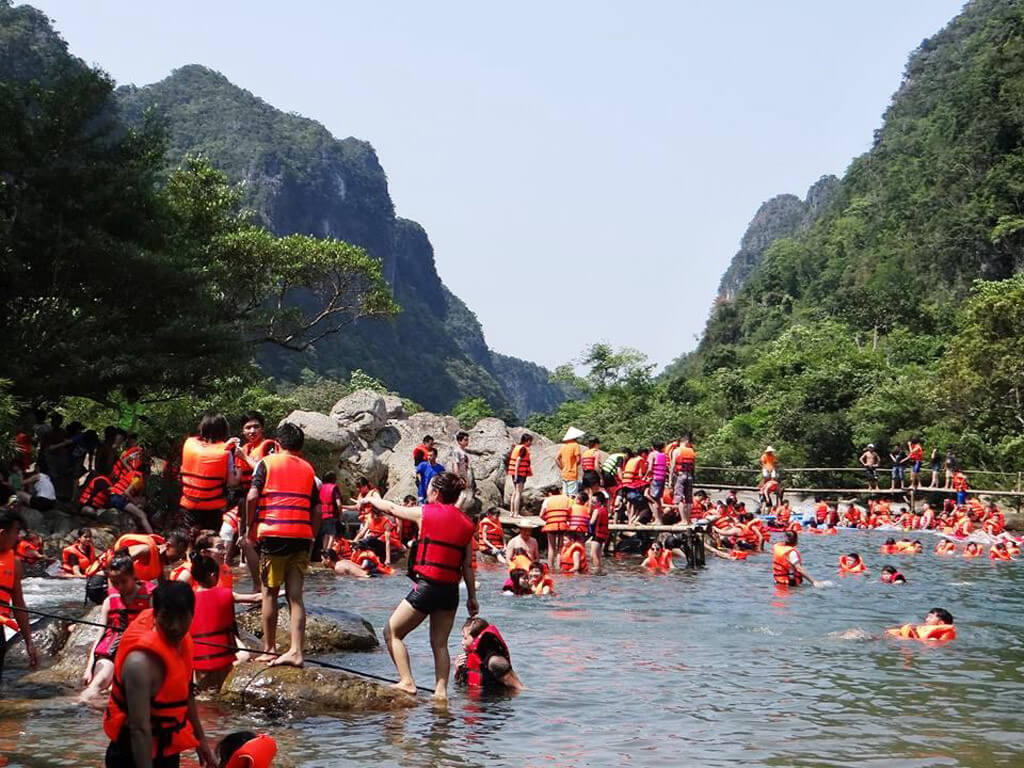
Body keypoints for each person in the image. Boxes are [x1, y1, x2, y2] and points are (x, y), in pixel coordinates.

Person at [365, 472, 477, 701]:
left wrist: (372, 499)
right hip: (450, 592)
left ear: (436, 492)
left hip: (427, 587)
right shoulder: (467, 524)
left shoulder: (425, 512)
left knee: (392, 632)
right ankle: (441, 693)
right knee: (440, 644)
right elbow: (467, 565)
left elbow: (393, 509)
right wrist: (472, 598)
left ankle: (407, 682)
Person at [102, 581, 216, 768]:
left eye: (182, 618)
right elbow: (139, 729)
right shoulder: (140, 662)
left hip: (167, 749)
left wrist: (201, 740)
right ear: (155, 615)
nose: (175, 627)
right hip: (130, 754)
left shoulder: (183, 643)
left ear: (192, 615)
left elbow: (185, 693)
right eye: (167, 617)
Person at [246, 422, 319, 668]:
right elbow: (317, 509)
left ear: (277, 444)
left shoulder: (267, 463)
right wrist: (311, 536)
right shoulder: (309, 469)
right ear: (300, 447)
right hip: (300, 536)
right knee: (295, 596)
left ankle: (269, 649)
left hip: (274, 536)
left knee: (269, 593)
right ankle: (297, 651)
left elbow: (252, 496)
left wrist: (249, 527)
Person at [80, 554, 152, 706]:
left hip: (139, 651)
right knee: (98, 682)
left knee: (121, 688)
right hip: (113, 650)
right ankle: (78, 711)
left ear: (134, 576)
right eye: (115, 583)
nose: (119, 587)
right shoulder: (109, 601)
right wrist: (90, 667)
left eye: (123, 582)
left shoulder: (150, 599)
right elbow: (100, 636)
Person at [190, 554, 258, 691]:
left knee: (200, 687)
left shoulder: (187, 599)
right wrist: (276, 594)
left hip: (197, 661)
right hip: (223, 660)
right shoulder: (227, 594)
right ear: (213, 575)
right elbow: (255, 598)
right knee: (243, 658)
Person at [180, 412, 237, 532]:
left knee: (190, 538)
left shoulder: (189, 444)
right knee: (209, 541)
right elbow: (232, 483)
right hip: (213, 508)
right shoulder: (225, 452)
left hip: (189, 504)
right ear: (224, 430)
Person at [0, 509, 38, 679]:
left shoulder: (14, 563)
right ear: (2, 533)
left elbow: (19, 605)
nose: (18, 538)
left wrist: (28, 640)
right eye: (15, 532)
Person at [455, 617, 524, 692]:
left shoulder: (495, 662)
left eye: (465, 638)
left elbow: (519, 688)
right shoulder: (466, 658)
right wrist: (457, 670)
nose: (462, 642)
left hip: (493, 702)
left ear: (476, 638)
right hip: (475, 699)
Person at [539, 487, 572, 568]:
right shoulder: (566, 499)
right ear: (559, 492)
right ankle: (559, 566)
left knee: (551, 548)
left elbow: (541, 515)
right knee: (560, 548)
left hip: (551, 525)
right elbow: (569, 512)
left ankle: (550, 567)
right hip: (562, 524)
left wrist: (547, 519)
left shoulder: (547, 500)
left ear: (551, 493)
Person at [886, 608, 955, 644]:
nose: (926, 619)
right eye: (927, 617)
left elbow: (928, 645)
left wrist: (908, 639)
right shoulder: (924, 628)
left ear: (941, 623)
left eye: (930, 617)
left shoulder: (935, 639)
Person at [670, 437, 697, 524]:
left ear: (681, 442)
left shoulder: (677, 450)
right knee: (689, 499)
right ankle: (688, 520)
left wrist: (671, 480)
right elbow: (694, 467)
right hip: (689, 476)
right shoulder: (692, 452)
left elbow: (673, 466)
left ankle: (683, 520)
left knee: (679, 497)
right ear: (687, 442)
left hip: (680, 475)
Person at [506, 434, 533, 517]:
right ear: (527, 441)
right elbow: (518, 460)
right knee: (518, 493)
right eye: (530, 441)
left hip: (516, 473)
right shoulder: (523, 449)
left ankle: (511, 512)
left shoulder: (517, 447)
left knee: (515, 492)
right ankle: (516, 513)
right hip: (520, 474)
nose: (531, 443)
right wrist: (517, 474)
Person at [317, 471, 342, 558]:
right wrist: (340, 514)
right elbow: (338, 503)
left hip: (323, 514)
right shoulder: (334, 488)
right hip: (332, 514)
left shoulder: (322, 488)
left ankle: (323, 555)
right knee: (332, 534)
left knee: (325, 535)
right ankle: (328, 555)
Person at [587, 490, 610, 571]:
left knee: (594, 555)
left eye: (594, 502)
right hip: (603, 535)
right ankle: (599, 568)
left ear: (599, 502)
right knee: (598, 555)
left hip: (597, 535)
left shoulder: (597, 510)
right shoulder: (605, 510)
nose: (593, 504)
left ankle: (596, 569)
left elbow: (591, 522)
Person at [556, 428, 582, 496]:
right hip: (572, 474)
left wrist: (562, 467)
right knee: (572, 496)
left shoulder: (563, 446)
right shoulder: (575, 445)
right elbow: (578, 460)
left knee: (565, 495)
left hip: (564, 474)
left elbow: (556, 459)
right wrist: (576, 464)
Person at [452, 430, 474, 509]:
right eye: (465, 440)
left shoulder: (464, 451)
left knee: (464, 496)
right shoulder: (456, 451)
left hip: (465, 476)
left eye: (467, 440)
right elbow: (455, 464)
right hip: (460, 477)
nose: (467, 442)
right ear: (459, 441)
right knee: (460, 496)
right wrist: (458, 477)